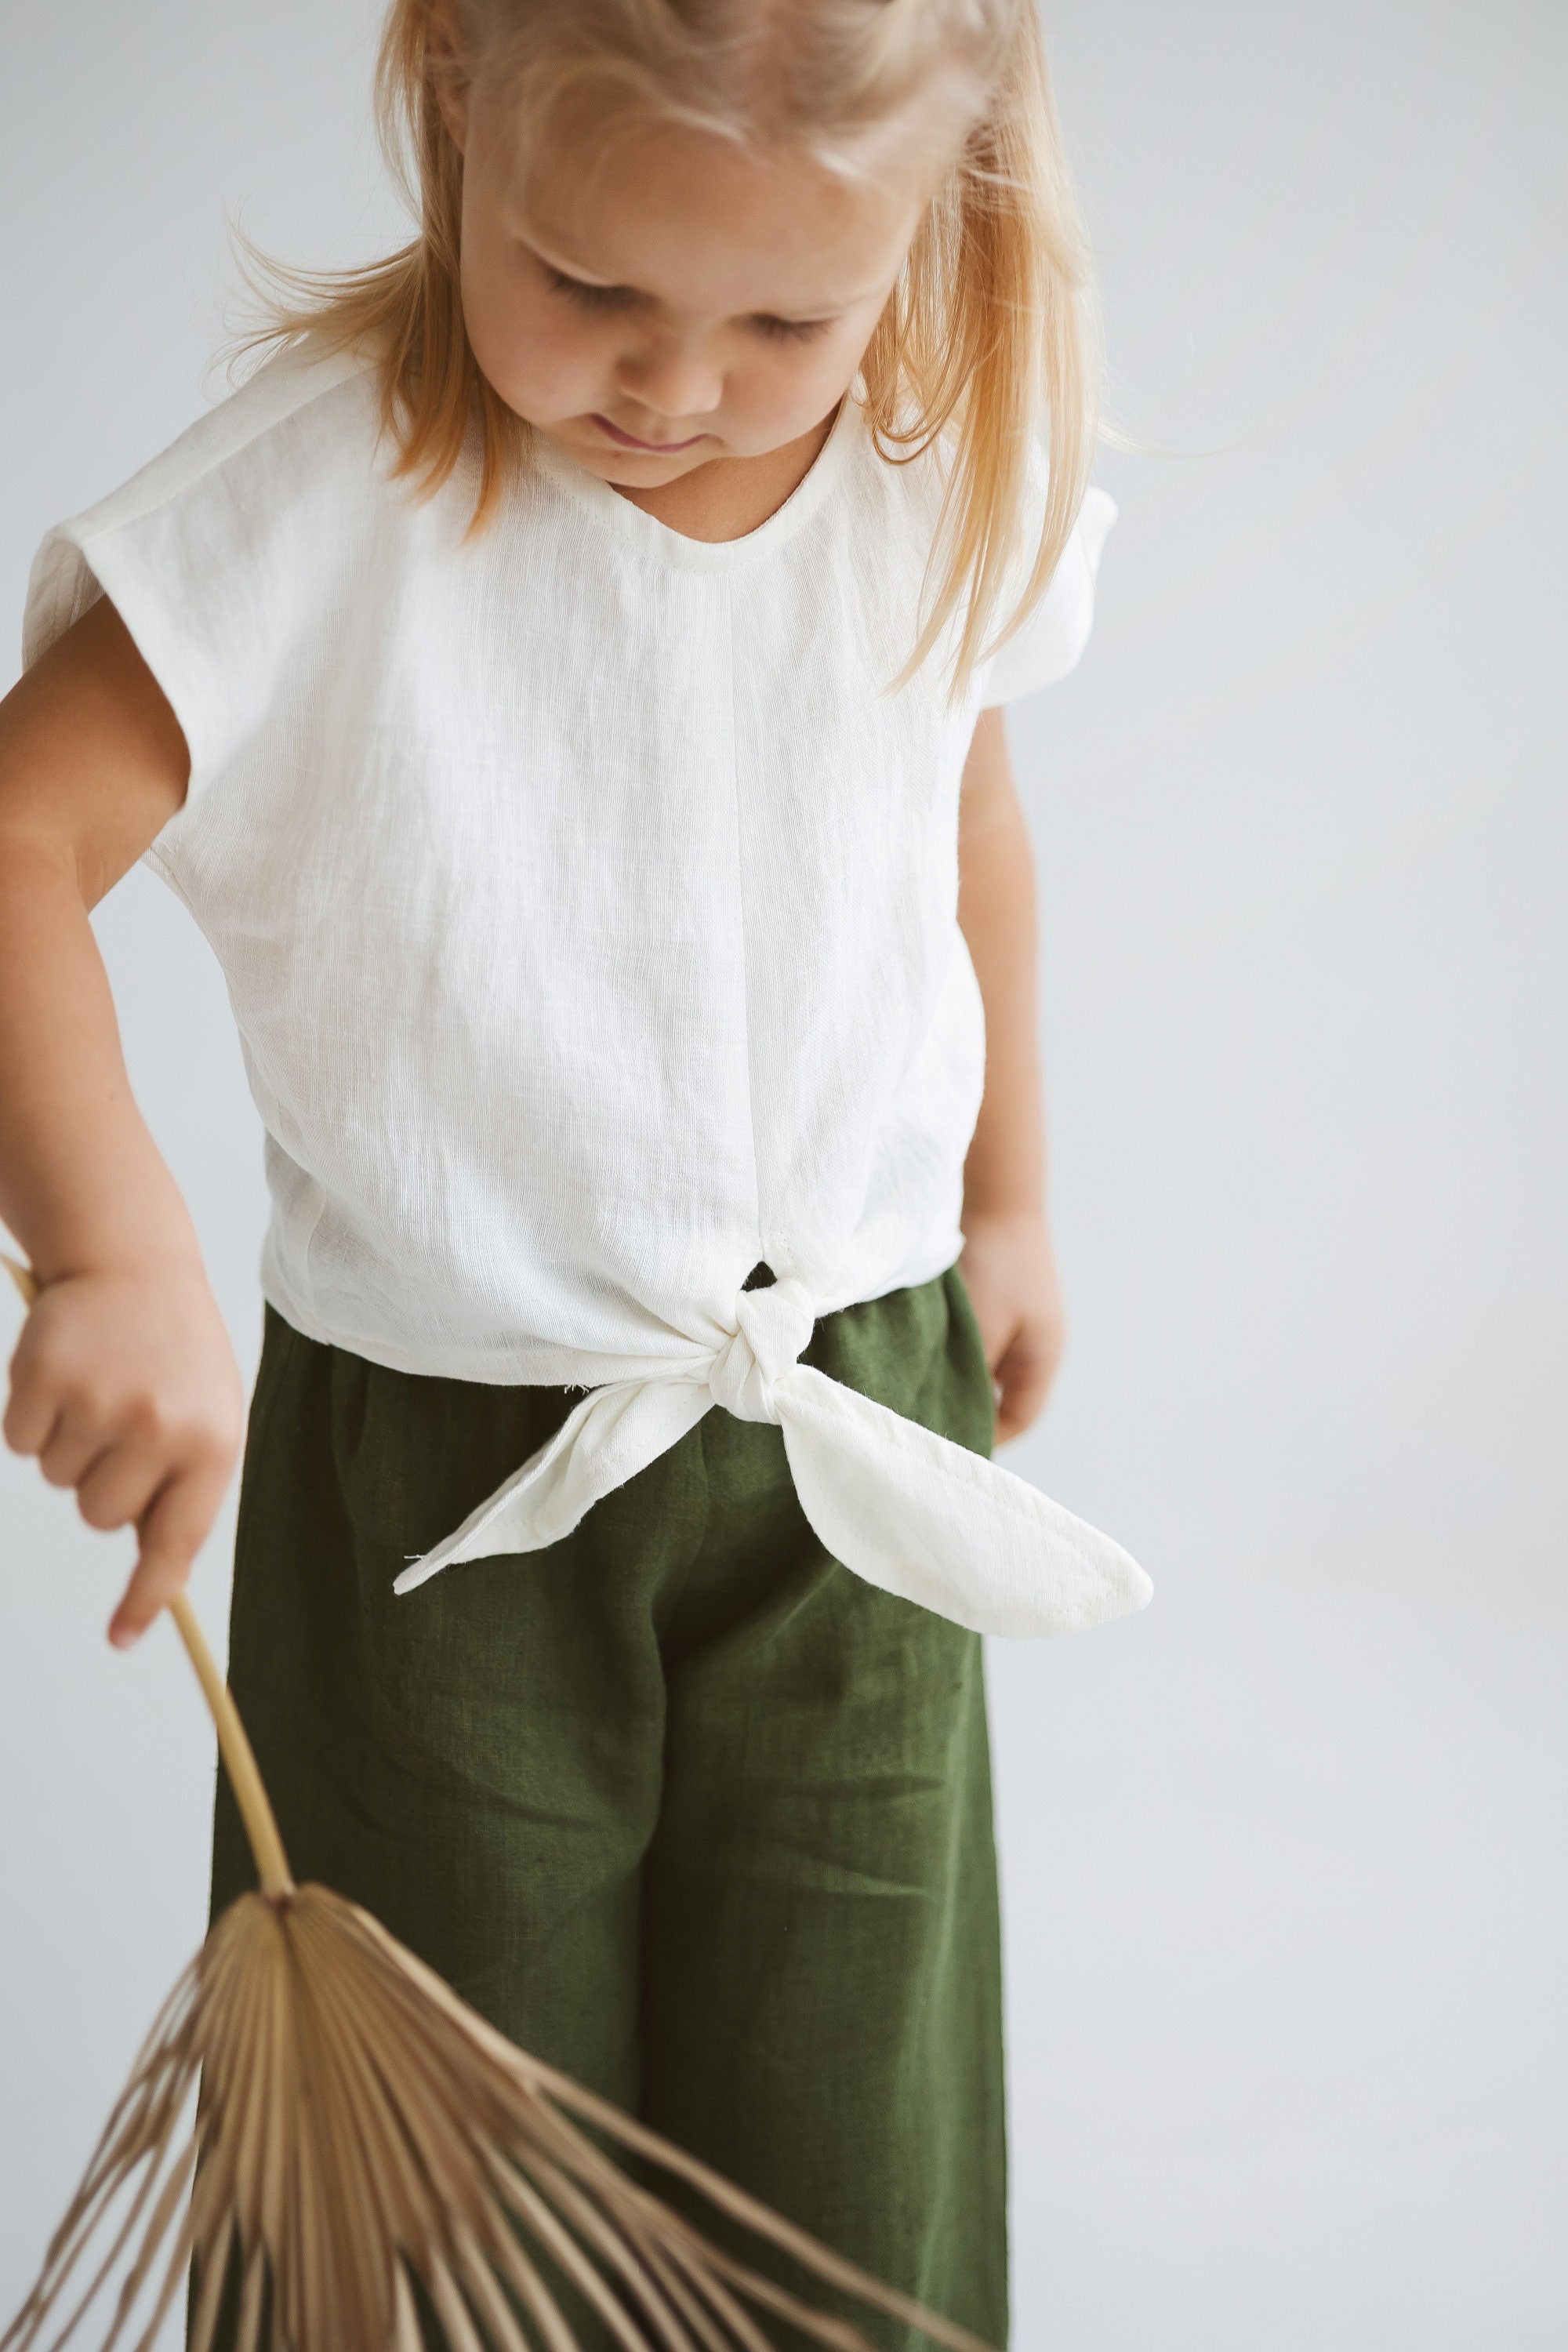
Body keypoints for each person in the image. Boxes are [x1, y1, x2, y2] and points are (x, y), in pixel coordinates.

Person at [0, 0, 1149, 2339]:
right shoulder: (315, 503)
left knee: (853, 2151)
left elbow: (968, 824)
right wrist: (109, 1245)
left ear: (941, 211)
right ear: (451, 102)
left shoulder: (944, 476)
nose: (679, 382)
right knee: (447, 2191)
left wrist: (1008, 1192)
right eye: (590, 285)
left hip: (858, 1440)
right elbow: (17, 832)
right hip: (447, 1489)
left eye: (785, 319)